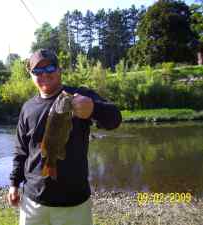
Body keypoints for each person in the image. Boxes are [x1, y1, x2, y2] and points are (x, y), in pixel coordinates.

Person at [7, 49, 122, 225]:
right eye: (37, 71)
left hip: (73, 203)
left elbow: (115, 119)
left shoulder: (79, 97)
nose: (44, 74)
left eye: (50, 68)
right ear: (31, 75)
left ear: (59, 70)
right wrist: (14, 184)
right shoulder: (27, 107)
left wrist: (93, 109)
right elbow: (21, 150)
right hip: (32, 201)